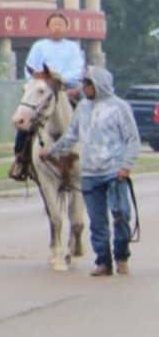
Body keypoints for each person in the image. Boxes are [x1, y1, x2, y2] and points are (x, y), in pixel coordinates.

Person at [45, 66, 138, 277]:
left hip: (115, 172)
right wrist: (50, 150)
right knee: (97, 222)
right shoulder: (83, 109)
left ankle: (122, 255)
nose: (84, 88)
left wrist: (126, 165)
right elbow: (71, 137)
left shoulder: (120, 108)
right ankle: (103, 261)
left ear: (99, 84)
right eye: (84, 84)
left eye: (87, 84)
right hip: (90, 173)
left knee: (121, 214)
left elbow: (132, 139)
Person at [9, 12, 87, 181]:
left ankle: (94, 155)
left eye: (61, 24)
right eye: (54, 24)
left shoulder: (73, 48)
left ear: (66, 27)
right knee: (26, 118)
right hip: (43, 90)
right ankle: (21, 158)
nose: (57, 27)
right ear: (47, 27)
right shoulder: (39, 46)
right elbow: (30, 68)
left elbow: (77, 70)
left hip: (67, 90)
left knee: (89, 115)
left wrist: (61, 81)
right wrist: (41, 83)